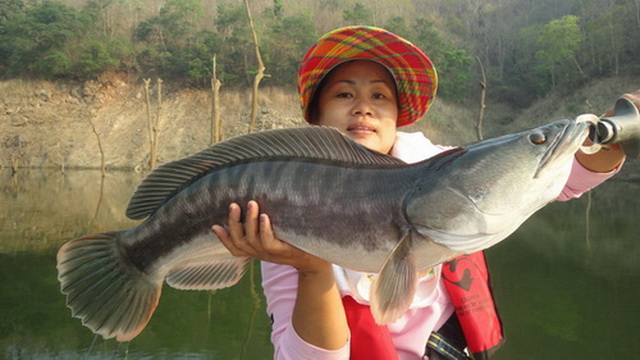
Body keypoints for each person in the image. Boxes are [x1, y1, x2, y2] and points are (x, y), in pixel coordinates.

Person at [212, 26, 636, 359]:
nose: (364, 107)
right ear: (316, 117)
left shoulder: (448, 165)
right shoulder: (276, 216)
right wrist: (312, 270)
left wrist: (612, 138)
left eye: (380, 95)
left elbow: (565, 178)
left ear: (399, 116)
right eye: (344, 94)